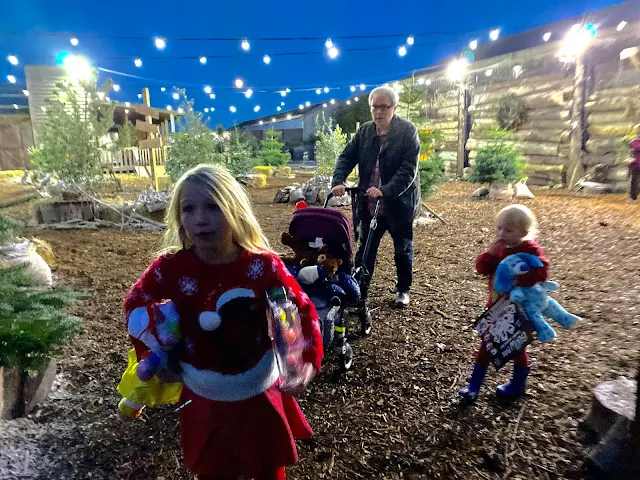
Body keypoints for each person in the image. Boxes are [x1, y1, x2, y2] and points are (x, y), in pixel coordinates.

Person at [122, 164, 323, 480]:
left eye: (212, 206)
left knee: (267, 466)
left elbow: (299, 308)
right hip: (204, 393)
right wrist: (157, 351)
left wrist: (304, 360)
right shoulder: (171, 268)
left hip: (257, 391)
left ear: (234, 209)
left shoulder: (262, 265)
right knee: (213, 468)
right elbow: (135, 304)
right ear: (179, 217)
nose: (200, 218)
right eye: (189, 208)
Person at [331, 86, 420, 307]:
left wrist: (386, 190)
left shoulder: (407, 132)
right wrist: (339, 180)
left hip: (398, 203)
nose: (378, 112)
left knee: (402, 248)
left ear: (394, 108)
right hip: (370, 204)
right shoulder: (365, 132)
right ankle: (360, 288)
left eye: (384, 107)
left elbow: (408, 170)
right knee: (366, 248)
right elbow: (346, 157)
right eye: (374, 107)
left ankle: (403, 290)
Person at [459, 204, 549, 401]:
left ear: (524, 232)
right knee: (486, 345)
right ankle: (473, 386)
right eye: (499, 228)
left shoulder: (530, 249)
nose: (502, 233)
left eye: (508, 230)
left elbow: (542, 270)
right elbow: (482, 268)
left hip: (519, 308)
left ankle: (518, 384)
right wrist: (489, 253)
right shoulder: (499, 248)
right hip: (495, 306)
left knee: (517, 347)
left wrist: (521, 279)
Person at [627, 125, 640, 203]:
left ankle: (633, 198)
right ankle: (633, 198)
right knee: (634, 181)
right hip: (636, 164)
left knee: (634, 181)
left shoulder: (635, 140)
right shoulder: (635, 139)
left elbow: (636, 147)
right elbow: (633, 146)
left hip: (637, 164)